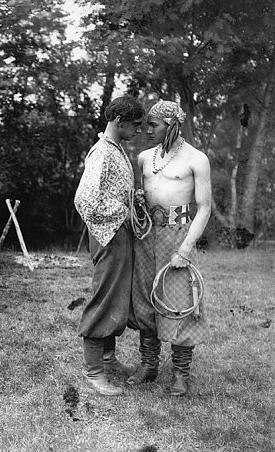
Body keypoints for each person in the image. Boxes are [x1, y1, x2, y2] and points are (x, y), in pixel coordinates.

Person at [127, 100, 211, 397]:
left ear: (172, 125)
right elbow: (141, 193)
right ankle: (149, 365)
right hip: (146, 235)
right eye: (146, 124)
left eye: (154, 125)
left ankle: (180, 373)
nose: (146, 130)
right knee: (145, 298)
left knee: (177, 300)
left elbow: (204, 208)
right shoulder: (143, 158)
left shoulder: (196, 159)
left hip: (178, 235)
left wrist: (186, 248)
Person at [73, 96, 145, 396]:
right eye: (136, 125)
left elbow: (111, 192)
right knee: (105, 298)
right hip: (108, 235)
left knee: (118, 298)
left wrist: (133, 201)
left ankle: (108, 359)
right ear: (119, 121)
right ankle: (93, 372)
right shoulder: (102, 152)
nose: (139, 130)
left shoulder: (115, 150)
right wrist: (122, 211)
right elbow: (85, 200)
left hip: (119, 234)